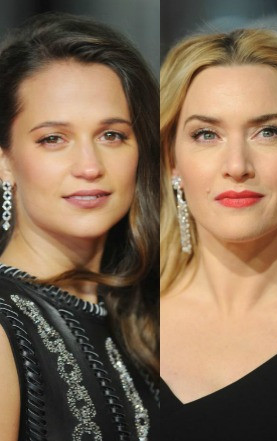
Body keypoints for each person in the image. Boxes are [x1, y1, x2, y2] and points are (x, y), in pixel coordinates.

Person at [0, 12, 159, 441]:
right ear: (5, 160)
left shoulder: (145, 310)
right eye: (53, 138)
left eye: (112, 135)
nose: (89, 166)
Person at [158, 28, 277, 439]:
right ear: (172, 160)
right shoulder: (122, 319)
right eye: (206, 134)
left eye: (267, 132)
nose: (236, 165)